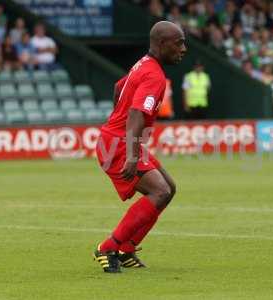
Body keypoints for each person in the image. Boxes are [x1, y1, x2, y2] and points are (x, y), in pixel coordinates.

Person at [93, 21, 186, 273]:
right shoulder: (154, 75)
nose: (183, 49)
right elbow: (135, 113)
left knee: (170, 188)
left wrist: (116, 122)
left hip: (120, 139)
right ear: (162, 43)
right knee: (160, 192)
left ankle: (127, 249)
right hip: (120, 145)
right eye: (179, 43)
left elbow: (118, 87)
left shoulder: (143, 64)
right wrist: (131, 154)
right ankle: (108, 247)